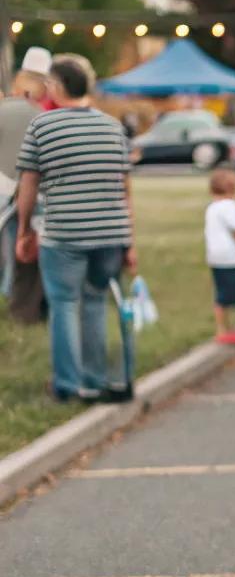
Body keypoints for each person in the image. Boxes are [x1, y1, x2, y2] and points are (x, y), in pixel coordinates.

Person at [15, 53, 136, 402]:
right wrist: (129, 241)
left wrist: (24, 230)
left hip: (63, 232)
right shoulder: (114, 128)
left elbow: (29, 185)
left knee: (65, 304)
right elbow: (126, 190)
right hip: (110, 235)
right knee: (95, 302)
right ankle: (95, 378)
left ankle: (68, 384)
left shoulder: (43, 126)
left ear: (55, 86)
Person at [0, 51, 51, 304]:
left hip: (4, 186)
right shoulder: (41, 116)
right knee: (18, 244)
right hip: (27, 190)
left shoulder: (3, 109)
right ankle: (11, 291)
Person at [204, 168, 235, 344]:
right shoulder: (231, 207)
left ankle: (223, 327)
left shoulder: (212, 207)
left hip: (214, 255)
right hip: (229, 255)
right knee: (230, 295)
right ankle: (226, 329)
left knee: (220, 292)